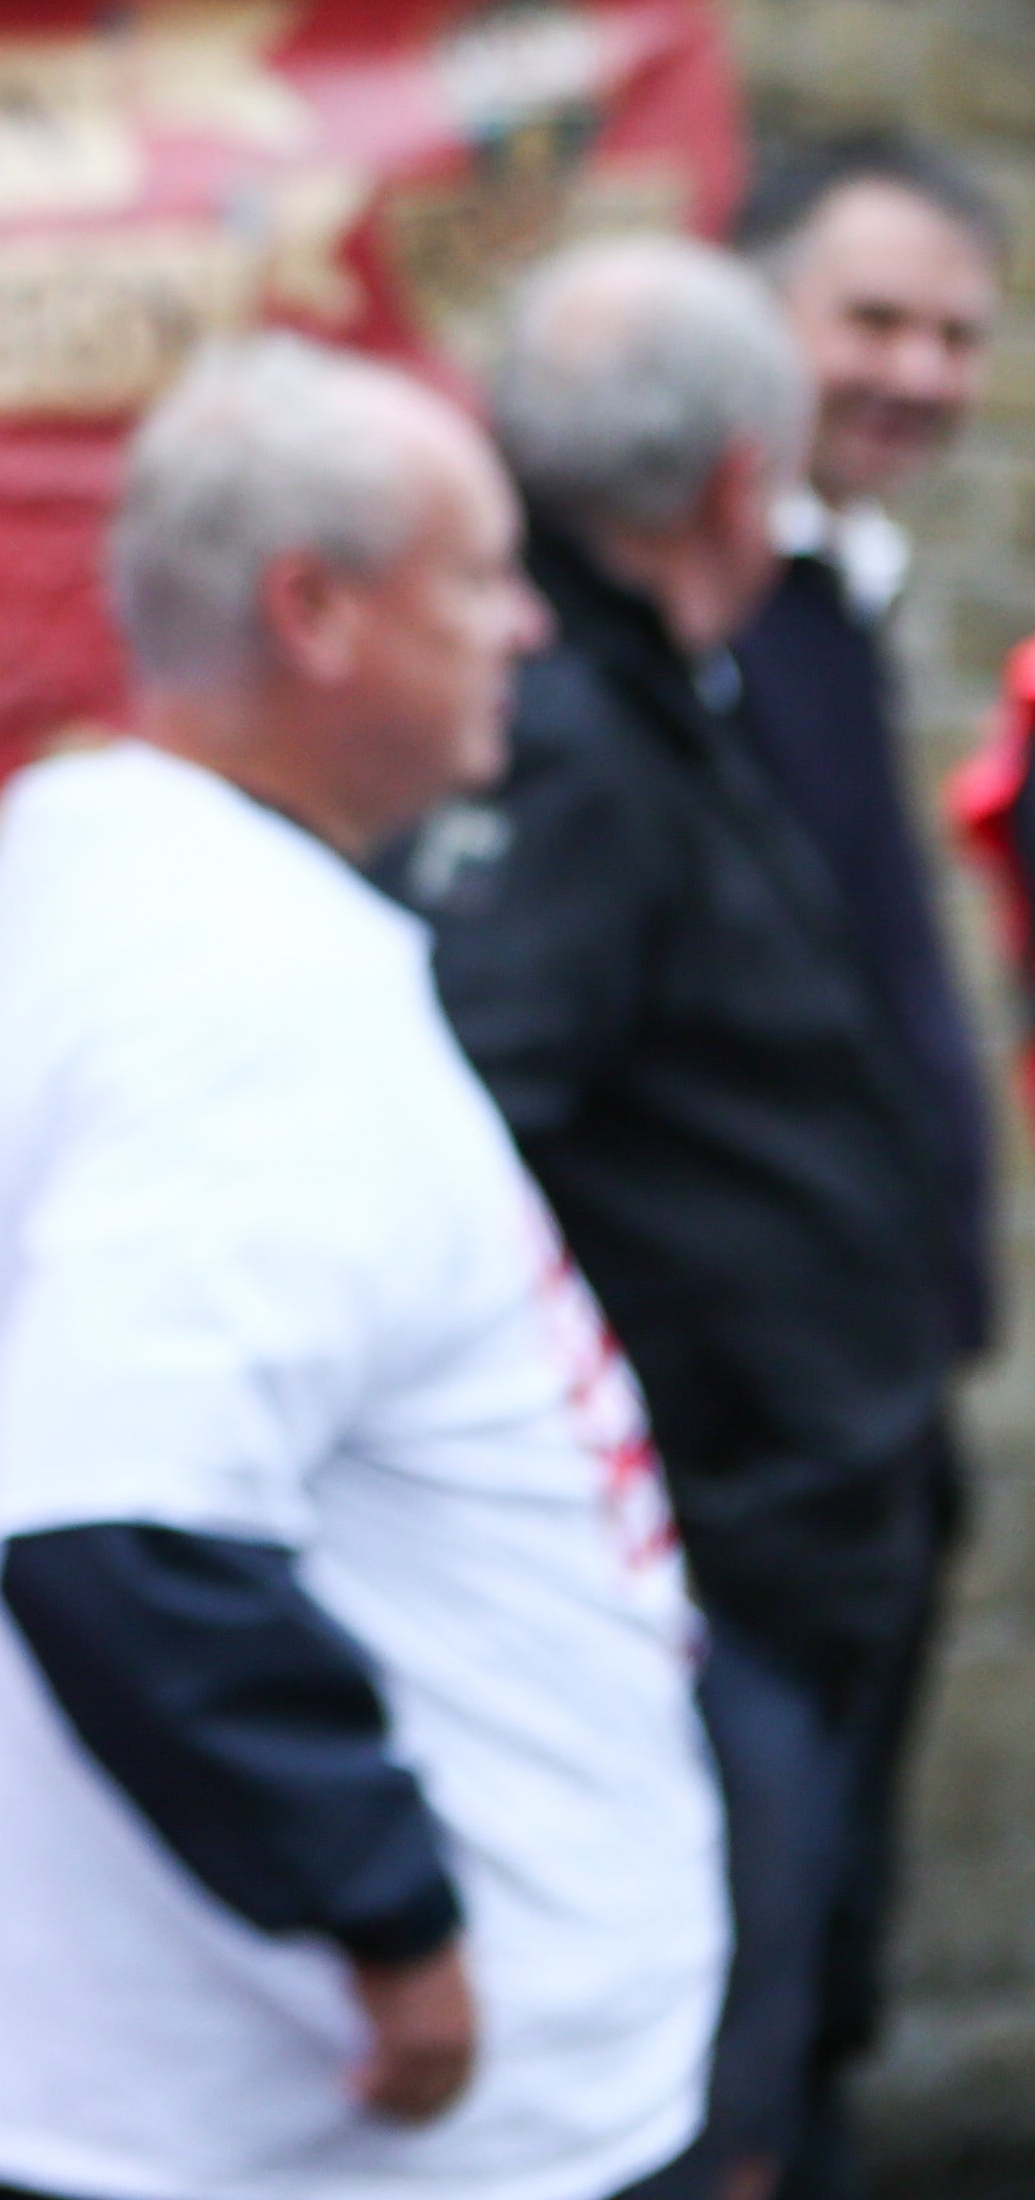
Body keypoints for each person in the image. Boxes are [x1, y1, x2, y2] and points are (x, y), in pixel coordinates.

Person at [0, 333, 720, 2200]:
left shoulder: (95, 885)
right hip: (348, 2130)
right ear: (311, 610)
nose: (527, 628)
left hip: (216, 2090)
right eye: (475, 576)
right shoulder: (233, 989)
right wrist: (386, 1928)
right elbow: (119, 1536)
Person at [403, 237, 951, 2200]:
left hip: (786, 1518)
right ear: (741, 468)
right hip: (709, 1565)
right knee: (706, 2102)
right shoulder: (560, 744)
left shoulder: (671, 681)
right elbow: (468, 1153)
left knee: (780, 2041)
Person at [721, 138, 1002, 2200]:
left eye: (955, 333)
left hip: (867, 1436)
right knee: (721, 2042)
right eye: (869, 320)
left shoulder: (842, 596)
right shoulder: (685, 616)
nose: (912, 370)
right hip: (734, 1474)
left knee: (819, 1987)